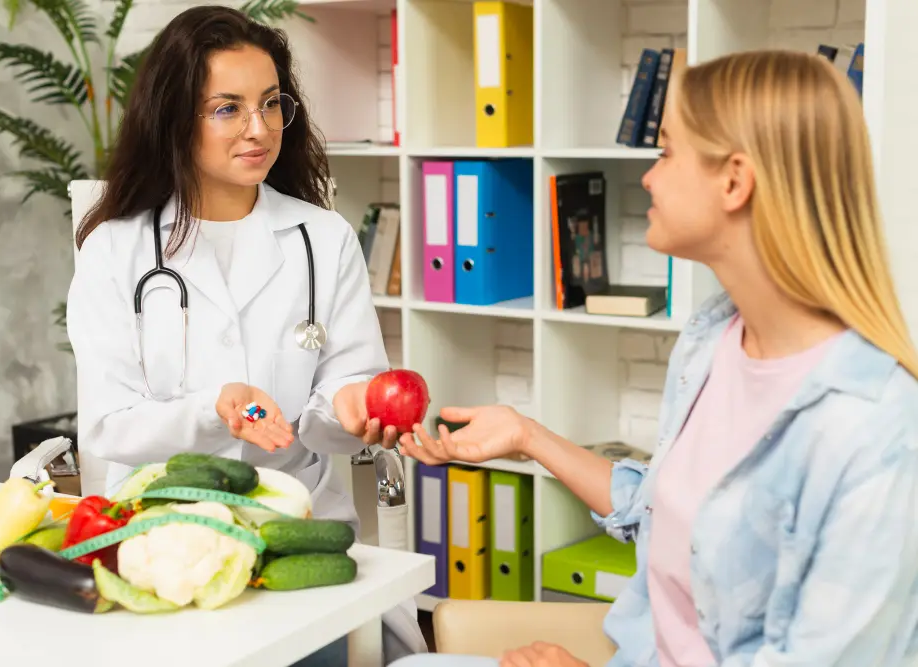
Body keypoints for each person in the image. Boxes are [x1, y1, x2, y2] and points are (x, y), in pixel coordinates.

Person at [389, 49, 918, 667]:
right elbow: (665, 515)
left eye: (667, 152)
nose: (648, 176)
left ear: (734, 181)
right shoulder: (713, 339)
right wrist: (525, 435)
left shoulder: (876, 429)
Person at [65, 6, 424, 665]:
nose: (259, 129)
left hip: (297, 533)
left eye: (271, 104)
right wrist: (213, 409)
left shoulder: (324, 239)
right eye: (227, 108)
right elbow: (108, 426)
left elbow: (340, 393)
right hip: (166, 543)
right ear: (176, 119)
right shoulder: (114, 250)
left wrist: (350, 407)